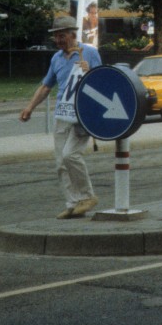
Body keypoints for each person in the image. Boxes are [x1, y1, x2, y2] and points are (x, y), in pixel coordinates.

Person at [19, 15, 103, 218]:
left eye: (62, 36)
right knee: (60, 162)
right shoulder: (56, 58)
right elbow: (47, 85)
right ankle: (73, 203)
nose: (58, 41)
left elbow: (102, 82)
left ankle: (87, 196)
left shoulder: (89, 53)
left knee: (70, 155)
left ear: (73, 35)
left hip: (82, 114)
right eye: (55, 37)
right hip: (62, 114)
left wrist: (89, 71)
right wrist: (30, 107)